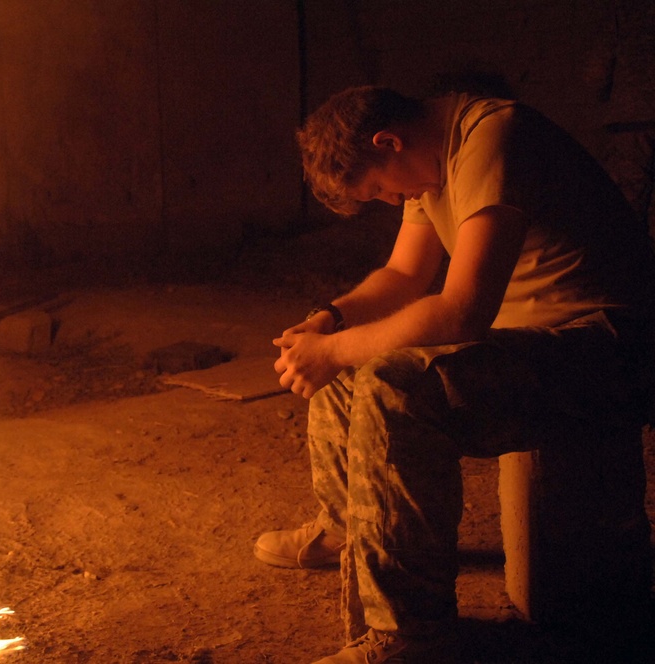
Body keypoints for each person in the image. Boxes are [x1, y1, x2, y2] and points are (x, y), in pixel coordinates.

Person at [259, 86, 655, 663]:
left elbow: (462, 311)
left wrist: (340, 348)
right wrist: (329, 323)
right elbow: (402, 274)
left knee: (396, 386)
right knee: (343, 369)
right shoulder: (428, 162)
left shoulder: (492, 140)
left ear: (389, 142)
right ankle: (354, 525)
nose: (393, 202)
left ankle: (413, 639)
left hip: (609, 346)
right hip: (539, 339)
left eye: (380, 190)